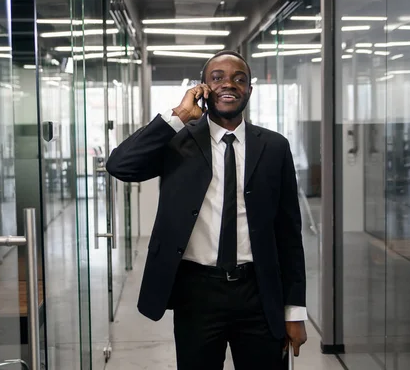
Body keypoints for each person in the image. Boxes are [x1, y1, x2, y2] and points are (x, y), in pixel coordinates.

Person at [106, 50, 307, 369]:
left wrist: (294, 310)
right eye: (218, 78)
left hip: (258, 290)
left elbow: (288, 234)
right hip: (196, 292)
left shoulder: (274, 147)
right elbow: (120, 165)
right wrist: (179, 116)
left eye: (239, 79)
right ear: (203, 88)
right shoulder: (178, 142)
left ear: (250, 90)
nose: (229, 84)